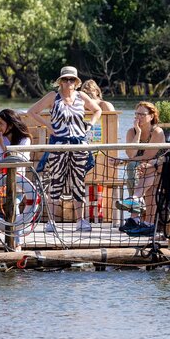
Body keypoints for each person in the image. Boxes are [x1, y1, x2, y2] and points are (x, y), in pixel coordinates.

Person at [26, 66, 102, 232]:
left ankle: (81, 221)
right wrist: (48, 126)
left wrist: (90, 125)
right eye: (65, 79)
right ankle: (51, 221)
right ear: (60, 81)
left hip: (78, 144)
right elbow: (32, 111)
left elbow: (98, 110)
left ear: (76, 82)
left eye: (72, 79)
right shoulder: (53, 96)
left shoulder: (81, 96)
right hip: (58, 144)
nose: (69, 82)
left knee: (78, 182)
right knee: (55, 181)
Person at [123, 101, 164, 224]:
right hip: (140, 169)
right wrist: (138, 133)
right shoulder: (132, 132)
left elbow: (148, 156)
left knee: (136, 167)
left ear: (151, 116)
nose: (138, 117)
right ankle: (136, 207)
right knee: (132, 167)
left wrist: (125, 161)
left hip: (158, 166)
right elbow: (131, 154)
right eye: (136, 114)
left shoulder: (157, 132)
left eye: (142, 114)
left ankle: (135, 209)